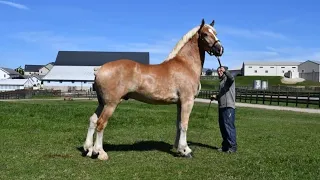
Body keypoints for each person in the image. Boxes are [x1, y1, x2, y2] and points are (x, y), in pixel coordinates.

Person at [210, 66, 237, 153]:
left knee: (229, 127)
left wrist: (225, 71)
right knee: (223, 127)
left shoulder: (228, 79)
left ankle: (232, 147)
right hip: (221, 106)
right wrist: (216, 97)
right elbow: (222, 94)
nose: (219, 72)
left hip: (228, 106)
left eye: (220, 71)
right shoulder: (221, 82)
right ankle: (225, 146)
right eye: (218, 71)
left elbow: (231, 78)